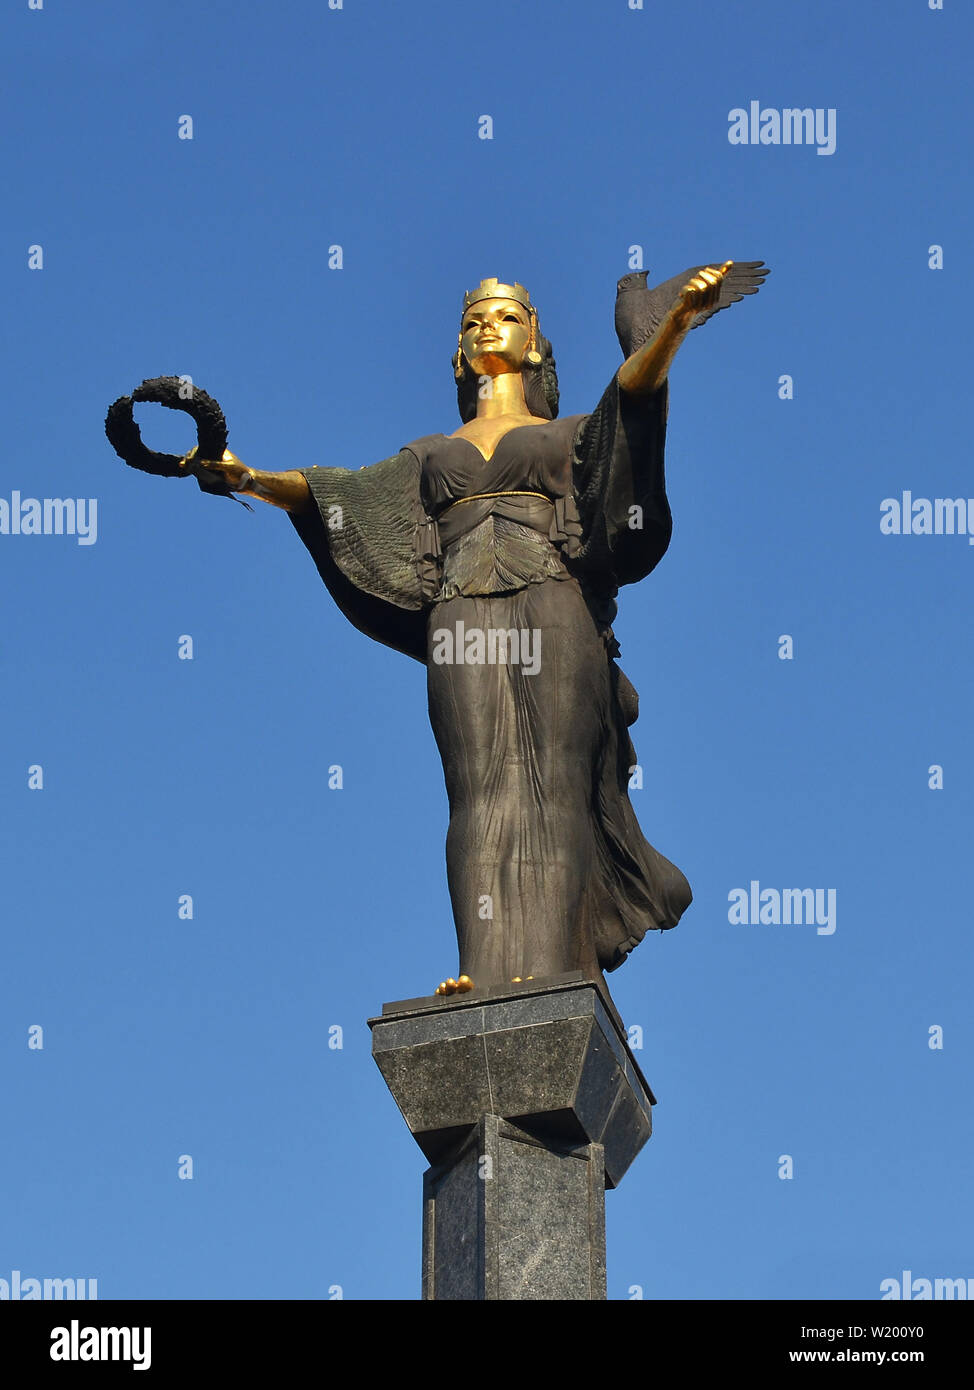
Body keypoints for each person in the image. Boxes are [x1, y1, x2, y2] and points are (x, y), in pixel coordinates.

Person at [187, 268, 731, 1008]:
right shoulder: (428, 454)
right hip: (461, 610)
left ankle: (551, 967)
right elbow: (337, 491)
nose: (485, 326)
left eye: (505, 316)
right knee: (477, 793)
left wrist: (672, 326)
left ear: (535, 342)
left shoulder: (566, 435)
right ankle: (483, 968)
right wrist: (248, 476)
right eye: (473, 319)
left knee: (553, 785)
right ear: (456, 354)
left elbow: (629, 402)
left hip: (552, 600)